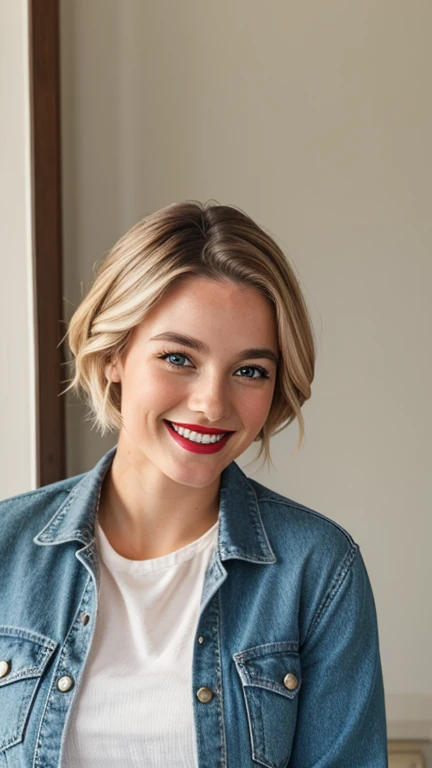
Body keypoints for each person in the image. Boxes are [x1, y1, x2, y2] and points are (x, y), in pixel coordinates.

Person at [0, 200, 387, 767]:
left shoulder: (319, 569)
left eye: (249, 370)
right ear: (114, 355)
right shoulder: (6, 549)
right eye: (179, 357)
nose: (211, 404)